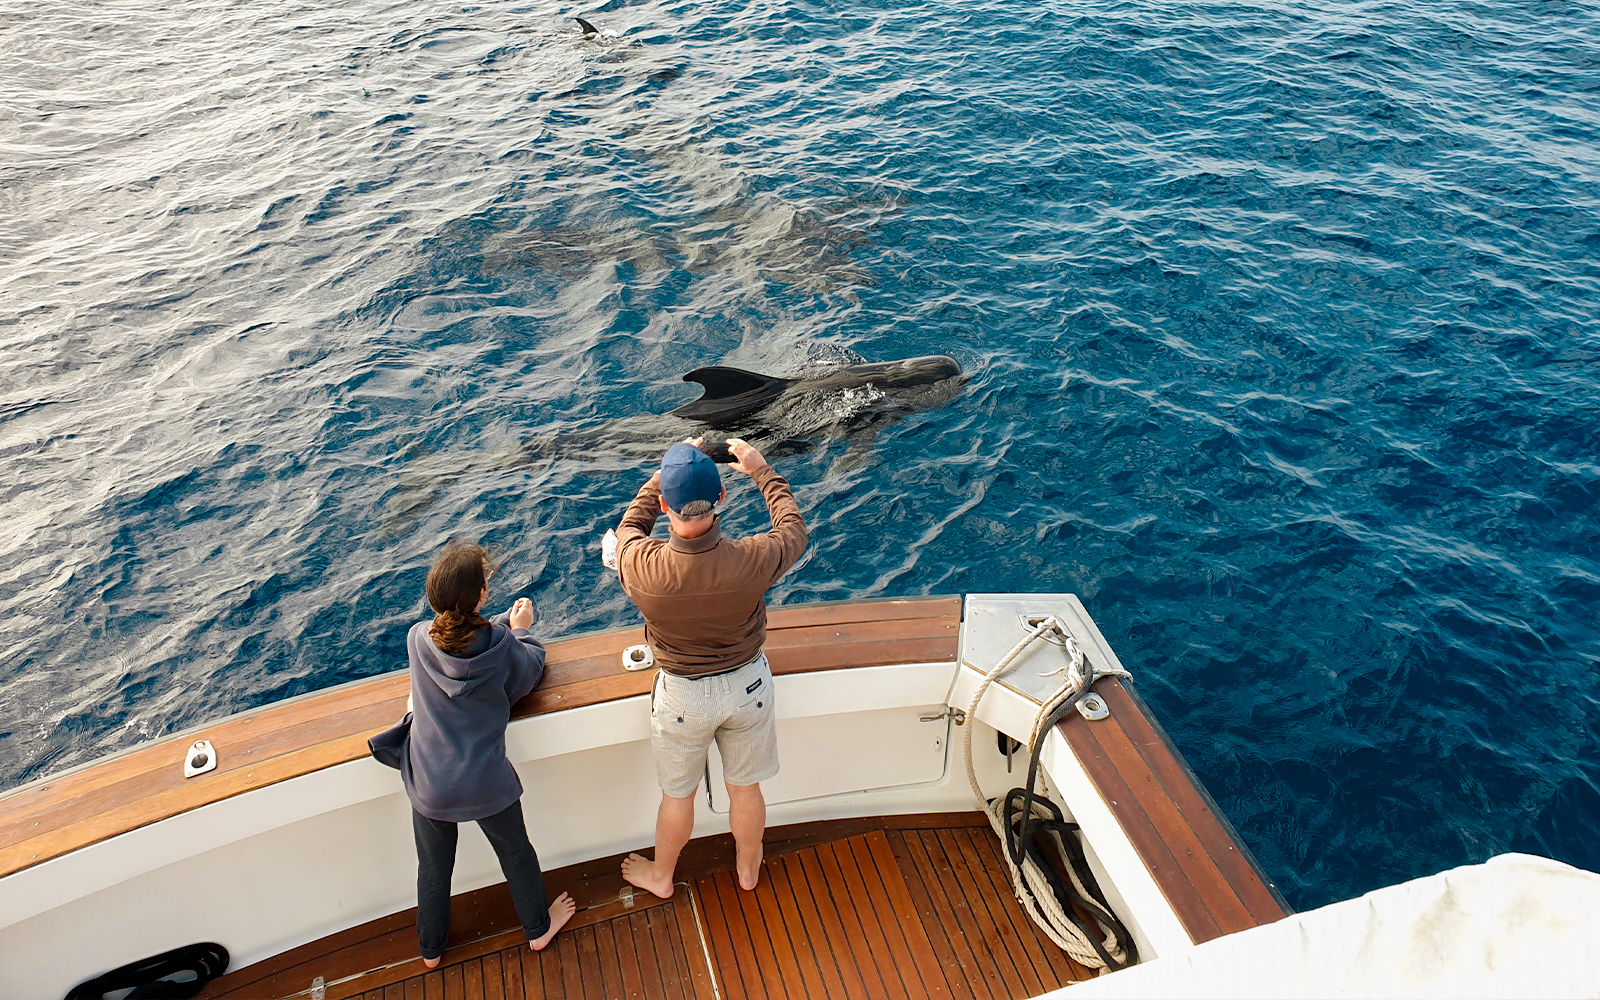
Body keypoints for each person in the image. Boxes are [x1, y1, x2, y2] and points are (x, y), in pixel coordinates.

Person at [614, 438, 809, 897]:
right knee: (745, 789)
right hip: (748, 686)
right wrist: (762, 470)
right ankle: (747, 868)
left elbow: (629, 527)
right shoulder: (752, 559)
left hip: (682, 696)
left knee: (677, 796)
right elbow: (794, 530)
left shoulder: (641, 567)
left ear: (665, 504)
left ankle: (662, 877)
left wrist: (663, 475)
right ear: (721, 497)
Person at [403, 543, 576, 968]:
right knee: (516, 853)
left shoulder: (418, 640)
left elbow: (463, 639)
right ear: (481, 595)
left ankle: (430, 950)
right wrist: (520, 629)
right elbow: (529, 668)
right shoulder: (502, 647)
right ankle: (538, 929)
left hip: (428, 779)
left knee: (433, 867)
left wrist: (502, 627)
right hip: (485, 783)